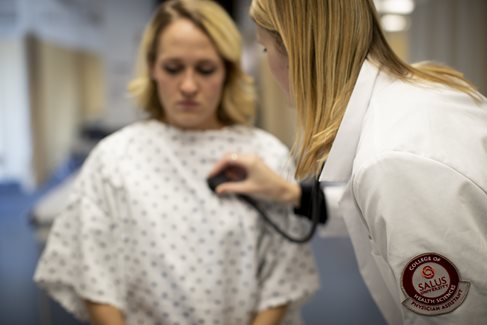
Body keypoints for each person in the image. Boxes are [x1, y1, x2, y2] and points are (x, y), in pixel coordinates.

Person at [33, 1, 319, 324]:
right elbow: (93, 273)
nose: (188, 86)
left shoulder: (265, 157)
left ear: (227, 71)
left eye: (205, 69)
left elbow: (282, 277)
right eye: (173, 68)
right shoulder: (114, 158)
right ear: (152, 68)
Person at [209, 0, 487, 324]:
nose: (268, 64)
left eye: (266, 49)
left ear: (295, 51)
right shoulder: (422, 94)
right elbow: (378, 212)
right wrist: (294, 195)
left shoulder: (394, 163)